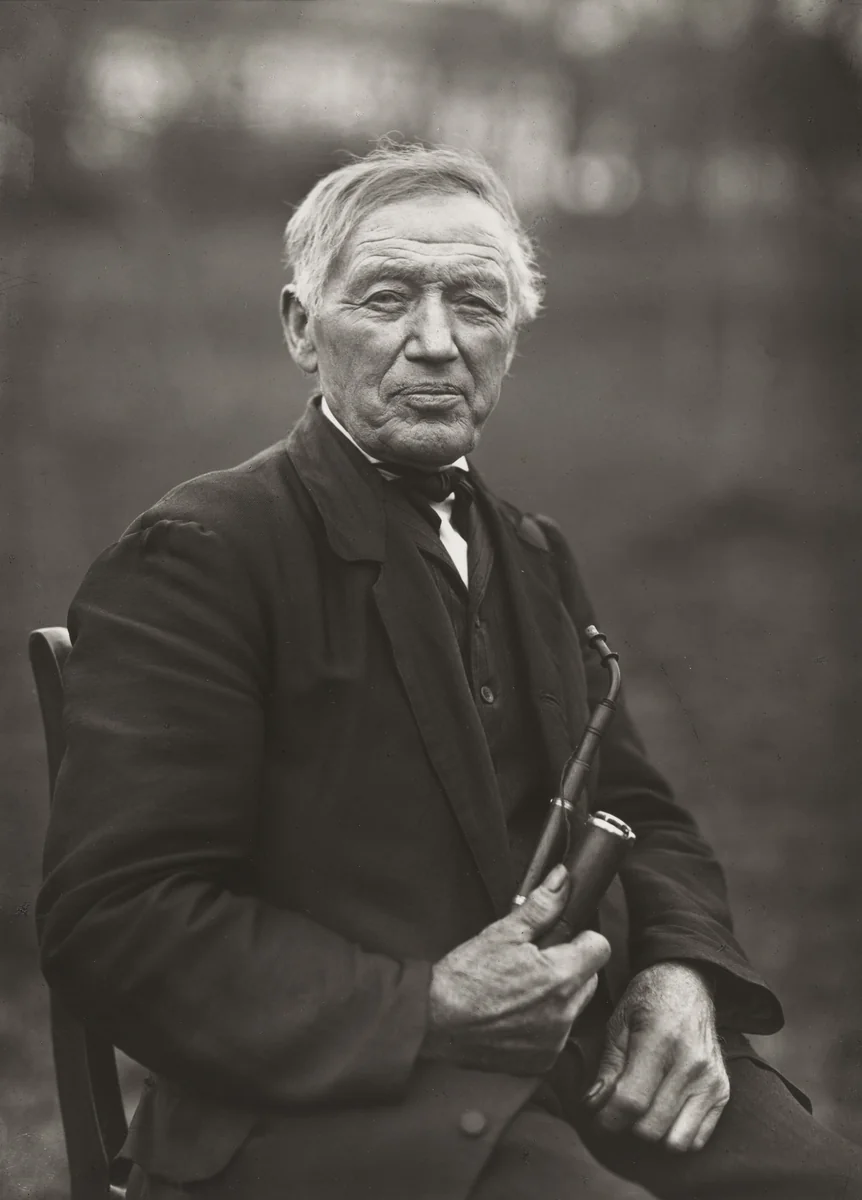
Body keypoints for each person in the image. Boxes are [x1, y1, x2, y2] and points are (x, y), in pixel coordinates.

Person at [37, 142, 862, 1200]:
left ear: (512, 334)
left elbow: (639, 816)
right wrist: (424, 1003)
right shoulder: (202, 553)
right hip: (322, 1117)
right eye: (387, 298)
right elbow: (115, 919)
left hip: (579, 1077)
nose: (434, 343)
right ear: (301, 326)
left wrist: (679, 973)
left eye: (474, 302)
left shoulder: (532, 553)